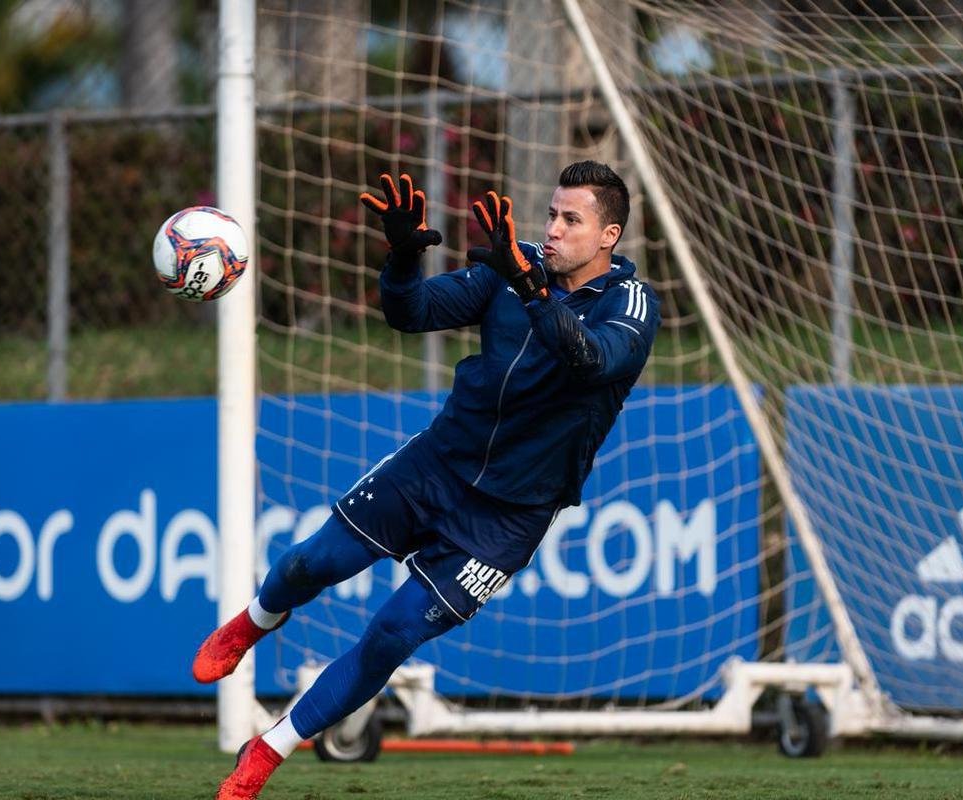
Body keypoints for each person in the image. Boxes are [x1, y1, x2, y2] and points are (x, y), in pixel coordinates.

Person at [196, 160, 661, 800]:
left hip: (508, 518)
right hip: (436, 464)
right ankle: (254, 620)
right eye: (551, 213)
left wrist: (530, 288)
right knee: (313, 563)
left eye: (570, 219)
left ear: (608, 236)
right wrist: (404, 256)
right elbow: (409, 312)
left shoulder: (631, 303)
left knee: (392, 635)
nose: (552, 228)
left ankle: (267, 752)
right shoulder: (514, 266)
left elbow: (589, 361)